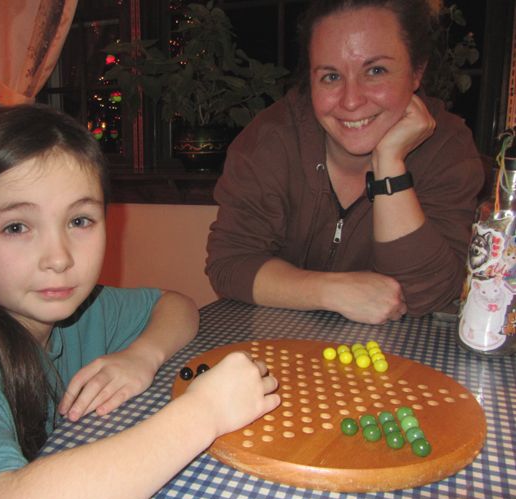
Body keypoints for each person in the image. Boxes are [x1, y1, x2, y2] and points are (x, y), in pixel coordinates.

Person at [0, 105, 281, 499]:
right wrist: (203, 414)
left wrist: (142, 355)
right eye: (16, 227)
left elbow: (175, 305)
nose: (59, 258)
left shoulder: (79, 311)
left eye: (79, 220)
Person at [206, 0, 484, 325]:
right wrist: (332, 291)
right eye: (331, 76)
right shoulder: (271, 139)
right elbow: (229, 265)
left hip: (399, 355)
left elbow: (427, 293)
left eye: (375, 71)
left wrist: (390, 164)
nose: (351, 100)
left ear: (416, 72)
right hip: (281, 345)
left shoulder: (447, 146)